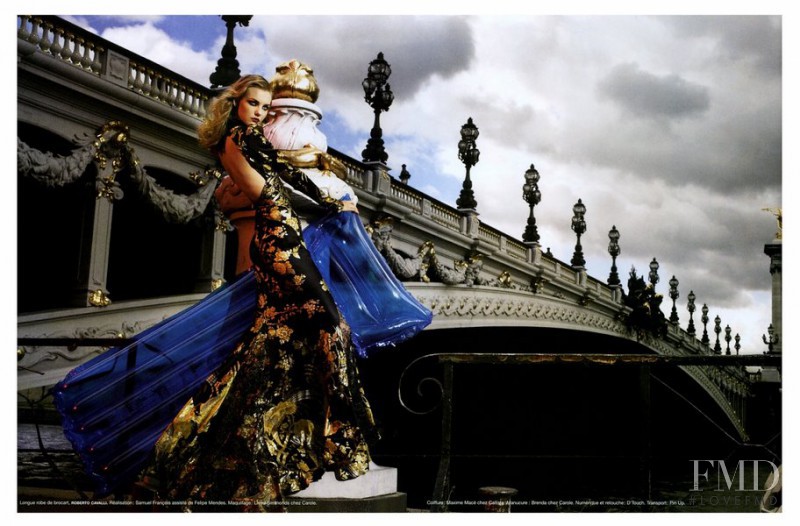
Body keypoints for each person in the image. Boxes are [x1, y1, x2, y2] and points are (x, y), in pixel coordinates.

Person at [140, 74, 377, 508]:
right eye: (254, 104)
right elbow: (278, 179)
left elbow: (282, 175)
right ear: (237, 103)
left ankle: (221, 441)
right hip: (279, 242)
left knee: (269, 345)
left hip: (276, 240)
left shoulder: (233, 140)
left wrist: (324, 203)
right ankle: (343, 435)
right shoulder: (242, 136)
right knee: (330, 324)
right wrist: (329, 203)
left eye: (266, 108)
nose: (261, 114)